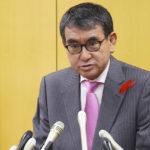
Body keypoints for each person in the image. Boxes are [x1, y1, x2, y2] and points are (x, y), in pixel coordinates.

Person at [33, 2, 150, 150]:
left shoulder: (143, 85)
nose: (84, 56)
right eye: (75, 46)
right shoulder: (51, 86)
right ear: (65, 44)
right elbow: (42, 145)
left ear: (111, 41)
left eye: (93, 43)